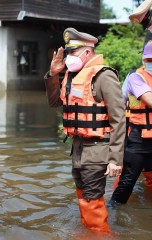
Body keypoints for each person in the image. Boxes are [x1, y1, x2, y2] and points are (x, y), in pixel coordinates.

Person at [44, 27, 125, 233]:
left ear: (87, 52)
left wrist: (116, 159)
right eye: (68, 52)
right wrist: (53, 74)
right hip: (78, 148)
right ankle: (87, 233)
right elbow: (54, 102)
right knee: (83, 197)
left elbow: (118, 118)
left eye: (72, 52)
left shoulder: (104, 76)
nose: (68, 57)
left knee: (93, 199)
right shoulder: (71, 76)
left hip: (97, 149)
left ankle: (99, 235)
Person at [110, 41, 152, 206]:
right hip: (138, 138)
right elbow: (149, 100)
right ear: (143, 60)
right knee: (127, 181)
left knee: (151, 179)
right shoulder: (136, 77)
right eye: (149, 60)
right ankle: (114, 211)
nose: (151, 63)